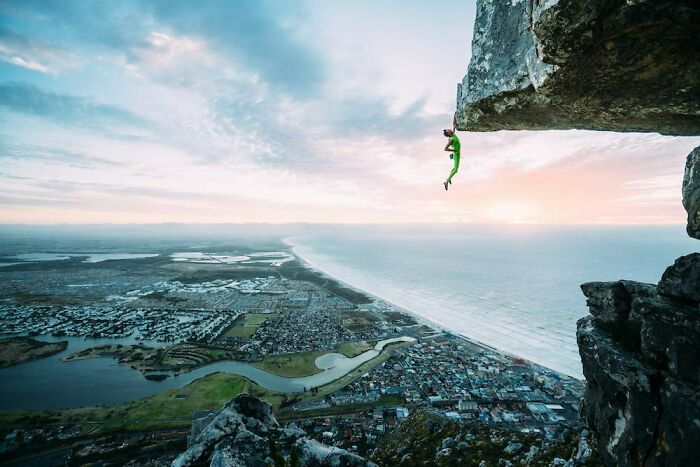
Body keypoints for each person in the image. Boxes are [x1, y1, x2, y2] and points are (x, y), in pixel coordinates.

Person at [443, 117, 461, 190]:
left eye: (449, 129)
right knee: (456, 170)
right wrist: (453, 151)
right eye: (448, 130)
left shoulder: (453, 134)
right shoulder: (452, 139)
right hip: (456, 154)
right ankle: (446, 181)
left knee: (454, 167)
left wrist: (455, 115)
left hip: (456, 153)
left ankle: (449, 178)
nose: (450, 130)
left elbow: (454, 125)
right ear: (448, 134)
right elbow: (445, 148)